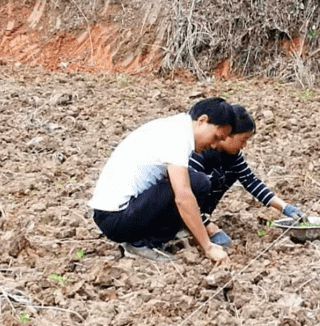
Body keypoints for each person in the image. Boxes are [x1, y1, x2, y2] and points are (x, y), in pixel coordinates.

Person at [89, 97, 236, 263]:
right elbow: (183, 197)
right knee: (196, 184)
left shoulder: (175, 126)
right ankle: (143, 244)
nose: (215, 145)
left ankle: (157, 237)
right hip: (116, 219)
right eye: (216, 137)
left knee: (194, 179)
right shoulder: (177, 137)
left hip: (114, 215)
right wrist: (207, 246)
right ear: (202, 121)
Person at [189, 105, 306, 248]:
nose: (244, 145)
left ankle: (200, 223)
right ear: (226, 134)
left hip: (198, 215)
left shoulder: (233, 157)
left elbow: (251, 182)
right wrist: (213, 231)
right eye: (243, 139)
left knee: (229, 175)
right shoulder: (198, 153)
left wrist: (285, 207)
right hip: (181, 212)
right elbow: (185, 199)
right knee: (199, 183)